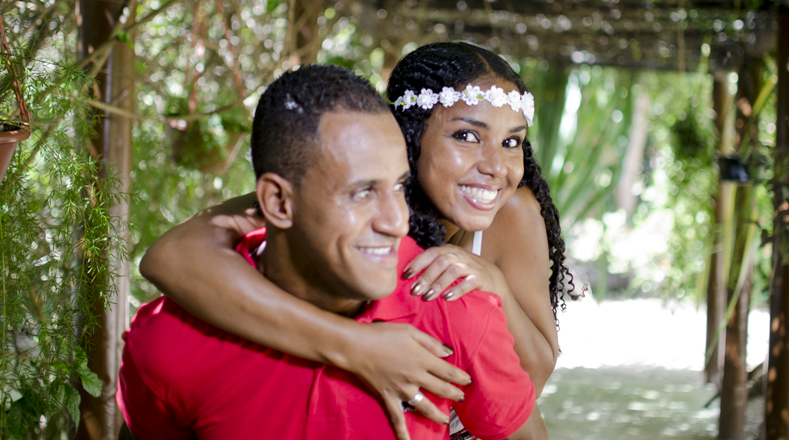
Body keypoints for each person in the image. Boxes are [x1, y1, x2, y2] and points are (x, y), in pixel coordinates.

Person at [139, 43, 571, 439]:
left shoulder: (509, 213)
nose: (496, 166)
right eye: (466, 136)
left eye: (512, 141)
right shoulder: (332, 200)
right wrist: (356, 348)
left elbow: (532, 376)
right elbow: (169, 257)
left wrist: (492, 282)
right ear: (408, 134)